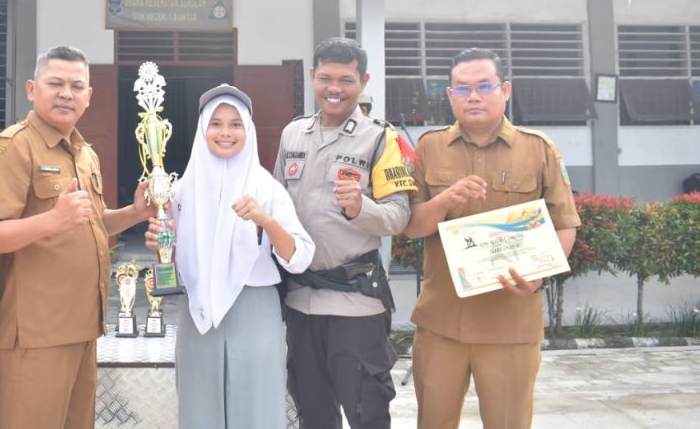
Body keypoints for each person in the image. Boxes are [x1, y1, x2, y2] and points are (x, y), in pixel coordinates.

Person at [0, 45, 154, 429]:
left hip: (82, 326)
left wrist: (135, 214)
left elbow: (91, 222)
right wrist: (52, 221)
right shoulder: (14, 148)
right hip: (37, 333)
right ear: (31, 89)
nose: (66, 94)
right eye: (55, 83)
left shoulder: (83, 152)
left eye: (76, 86)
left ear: (89, 96)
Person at [404, 47, 580, 429]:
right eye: (462, 88)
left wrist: (539, 276)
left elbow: (564, 224)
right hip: (441, 323)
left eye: (484, 86)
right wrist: (446, 200)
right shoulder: (428, 147)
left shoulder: (538, 149)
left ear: (505, 90)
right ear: (449, 95)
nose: (473, 96)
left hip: (510, 325)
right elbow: (412, 226)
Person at [146, 84, 315, 429]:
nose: (226, 132)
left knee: (257, 409)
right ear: (202, 129)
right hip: (198, 311)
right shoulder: (180, 190)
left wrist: (266, 222)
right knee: (199, 409)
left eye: (236, 124)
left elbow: (300, 257)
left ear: (248, 130)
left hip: (254, 308)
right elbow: (176, 257)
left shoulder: (267, 188)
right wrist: (162, 246)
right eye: (216, 123)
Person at [273, 37, 417, 429]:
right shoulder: (292, 134)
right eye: (326, 78)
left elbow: (398, 217)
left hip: (356, 304)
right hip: (301, 302)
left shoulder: (381, 139)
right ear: (312, 76)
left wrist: (360, 207)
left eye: (346, 80)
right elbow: (275, 205)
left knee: (367, 414)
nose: (334, 89)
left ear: (363, 81)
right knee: (313, 414)